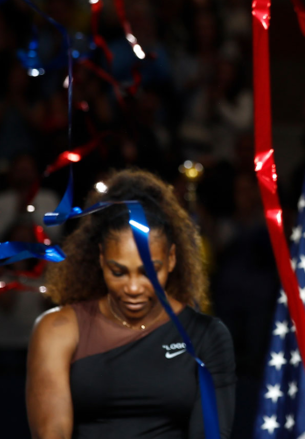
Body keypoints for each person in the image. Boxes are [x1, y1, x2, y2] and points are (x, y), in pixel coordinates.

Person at [26, 169, 236, 439]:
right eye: (119, 272)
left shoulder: (207, 335)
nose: (134, 288)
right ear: (101, 259)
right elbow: (51, 433)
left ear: (171, 259)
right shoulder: (56, 330)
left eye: (149, 271)